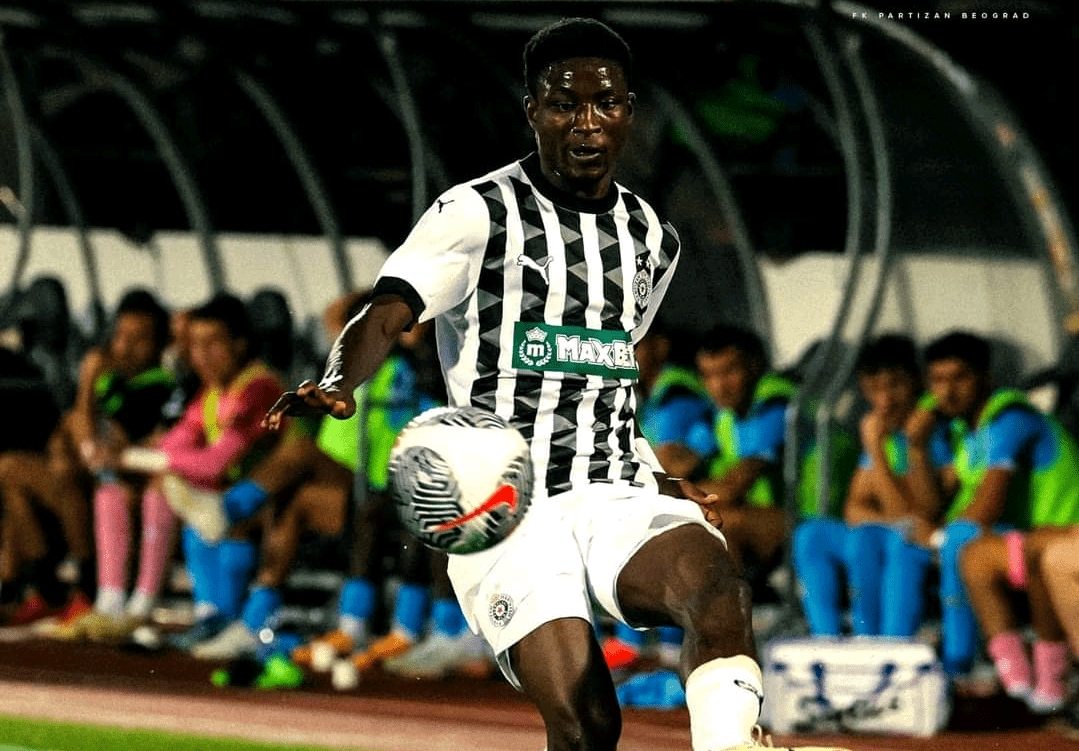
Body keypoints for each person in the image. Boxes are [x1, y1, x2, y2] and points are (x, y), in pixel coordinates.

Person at [266, 18, 850, 751]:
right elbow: (387, 310)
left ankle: (731, 746)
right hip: (505, 504)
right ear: (532, 111)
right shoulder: (475, 211)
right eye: (563, 105)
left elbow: (607, 372)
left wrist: (651, 471)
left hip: (612, 490)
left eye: (604, 104)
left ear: (628, 112)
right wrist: (339, 378)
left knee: (716, 584)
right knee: (586, 721)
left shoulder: (651, 237)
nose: (586, 122)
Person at [63, 293, 285, 645]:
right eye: (195, 346)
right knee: (136, 489)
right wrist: (129, 458)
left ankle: (150, 606)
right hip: (227, 503)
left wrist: (130, 458)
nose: (201, 356)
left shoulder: (259, 388)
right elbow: (172, 443)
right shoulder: (212, 393)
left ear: (240, 344)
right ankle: (116, 602)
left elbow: (215, 463)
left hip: (270, 502)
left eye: (212, 344)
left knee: (180, 494)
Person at [0, 289, 174, 631]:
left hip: (123, 486)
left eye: (139, 339)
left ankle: (86, 580)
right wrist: (75, 428)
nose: (125, 347)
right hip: (91, 477)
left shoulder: (157, 386)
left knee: (62, 473)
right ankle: (41, 583)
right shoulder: (113, 379)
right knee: (11, 470)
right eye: (121, 336)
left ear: (159, 345)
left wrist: (87, 387)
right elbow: (80, 437)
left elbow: (105, 446)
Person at [921, 331, 1079, 699]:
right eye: (937, 381)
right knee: (970, 554)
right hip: (1033, 536)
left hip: (1064, 531)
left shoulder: (1011, 418)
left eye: (958, 378)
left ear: (986, 378)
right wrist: (914, 445)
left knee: (961, 540)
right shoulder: (965, 431)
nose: (946, 392)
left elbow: (987, 506)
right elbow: (933, 505)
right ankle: (1016, 682)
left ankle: (961, 664)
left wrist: (937, 536)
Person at [675, 325, 857, 602]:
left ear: (754, 366)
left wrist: (673, 493)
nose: (719, 385)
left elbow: (732, 489)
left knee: (723, 520)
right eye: (709, 375)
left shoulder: (779, 404)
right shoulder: (724, 415)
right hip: (777, 521)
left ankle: (731, 616)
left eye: (728, 372)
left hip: (819, 523)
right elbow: (676, 460)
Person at [793, 334, 951, 637]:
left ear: (917, 382)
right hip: (889, 531)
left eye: (895, 386)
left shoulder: (930, 431)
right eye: (874, 390)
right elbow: (854, 509)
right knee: (812, 534)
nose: (885, 400)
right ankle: (826, 638)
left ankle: (888, 642)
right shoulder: (884, 431)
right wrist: (887, 518)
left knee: (883, 540)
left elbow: (921, 514)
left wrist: (876, 451)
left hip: (923, 541)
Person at [601, 324, 710, 673]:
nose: (624, 354)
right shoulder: (642, 392)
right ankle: (633, 643)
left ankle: (653, 649)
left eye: (634, 345)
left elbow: (665, 464)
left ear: (660, 346)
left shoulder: (677, 396)